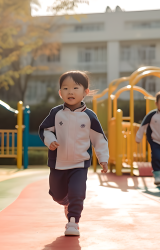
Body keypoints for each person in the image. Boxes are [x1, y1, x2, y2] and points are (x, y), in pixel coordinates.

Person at [39, 71, 109, 236]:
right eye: (65, 88)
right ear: (60, 92)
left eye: (75, 88)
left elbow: (99, 139)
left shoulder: (89, 116)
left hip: (80, 163)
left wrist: (103, 158)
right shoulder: (56, 113)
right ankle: (66, 203)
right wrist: (50, 141)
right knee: (57, 195)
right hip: (58, 162)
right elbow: (45, 130)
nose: (70, 92)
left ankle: (73, 222)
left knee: (78, 192)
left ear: (85, 92)